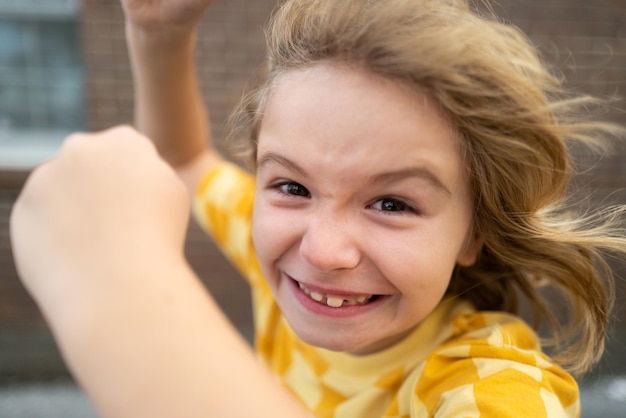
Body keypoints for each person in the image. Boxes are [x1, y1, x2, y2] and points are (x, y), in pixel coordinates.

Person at [9, 0, 626, 416]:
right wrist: (157, 34)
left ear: (473, 235)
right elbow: (185, 160)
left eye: (392, 203)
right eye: (293, 187)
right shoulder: (274, 258)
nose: (322, 251)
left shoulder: (491, 387)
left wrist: (113, 287)